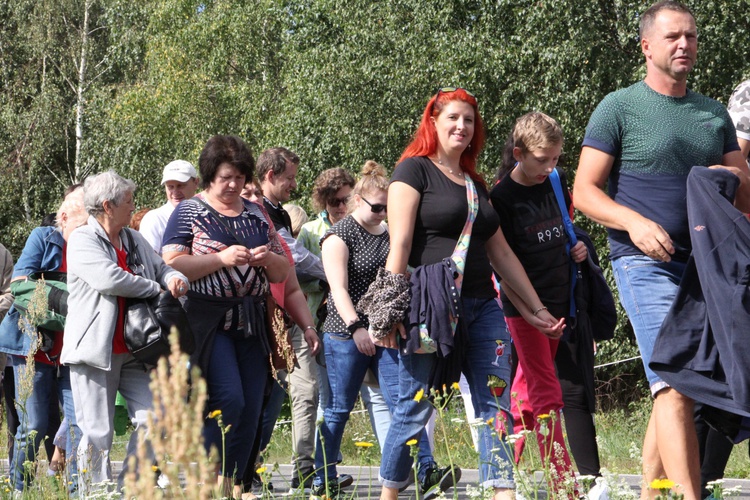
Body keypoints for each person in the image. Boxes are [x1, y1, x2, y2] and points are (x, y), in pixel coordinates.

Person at [572, 2, 750, 497]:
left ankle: (651, 492)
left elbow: (745, 193)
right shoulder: (619, 106)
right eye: (673, 37)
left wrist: (731, 175)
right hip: (642, 262)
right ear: (647, 46)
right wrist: (635, 223)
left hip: (703, 269)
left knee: (678, 386)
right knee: (674, 383)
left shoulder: (713, 113)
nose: (685, 45)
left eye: (691, 37)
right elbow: (584, 192)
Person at [377, 87, 564, 500]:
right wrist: (387, 313)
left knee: (494, 406)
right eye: (453, 118)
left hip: (483, 308)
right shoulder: (412, 172)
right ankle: (389, 494)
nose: (462, 126)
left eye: (469, 120)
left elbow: (500, 252)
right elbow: (401, 245)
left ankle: (502, 492)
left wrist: (535, 309)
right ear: (433, 122)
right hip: (429, 308)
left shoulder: (474, 182)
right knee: (412, 411)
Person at [162, 135, 289, 498]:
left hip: (252, 320)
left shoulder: (255, 213)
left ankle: (234, 483)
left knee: (252, 405)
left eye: (238, 177)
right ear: (209, 177)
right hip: (208, 321)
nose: (233, 185)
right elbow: (171, 262)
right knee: (228, 398)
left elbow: (282, 273)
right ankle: (208, 477)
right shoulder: (188, 211)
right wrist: (220, 259)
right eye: (224, 178)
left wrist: (266, 259)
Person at [60, 171, 188, 493]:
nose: (134, 207)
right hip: (94, 352)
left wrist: (173, 278)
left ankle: (131, 484)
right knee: (97, 433)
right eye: (128, 202)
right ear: (108, 205)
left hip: (136, 350)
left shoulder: (133, 238)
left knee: (157, 417)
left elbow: (161, 266)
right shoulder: (81, 239)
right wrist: (157, 287)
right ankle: (94, 493)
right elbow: (110, 279)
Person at [490, 112, 585, 495]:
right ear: (518, 154)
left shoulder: (557, 182)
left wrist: (578, 245)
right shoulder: (501, 198)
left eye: (556, 159)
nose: (550, 167)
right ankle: (565, 486)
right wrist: (533, 313)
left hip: (561, 302)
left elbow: (566, 227)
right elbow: (503, 268)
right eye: (542, 159)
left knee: (525, 394)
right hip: (524, 309)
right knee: (547, 391)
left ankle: (497, 469)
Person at [256, 148, 339, 492]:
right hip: (263, 318)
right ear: (271, 176)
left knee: (305, 391)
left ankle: (303, 469)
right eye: (289, 178)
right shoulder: (258, 212)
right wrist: (335, 273)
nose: (294, 184)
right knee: (261, 397)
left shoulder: (277, 212)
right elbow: (295, 257)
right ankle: (243, 468)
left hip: (291, 315)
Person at [0, 187, 87, 491]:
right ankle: (18, 491)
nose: (86, 230)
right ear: (63, 217)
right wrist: (64, 299)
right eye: (81, 222)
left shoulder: (93, 243)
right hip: (33, 347)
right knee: (33, 426)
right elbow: (20, 285)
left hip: (76, 350)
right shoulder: (43, 237)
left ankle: (79, 493)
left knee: (79, 426)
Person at [139, 160, 199, 254]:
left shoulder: (206, 215)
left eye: (180, 186)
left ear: (196, 183)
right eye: (170, 187)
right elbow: (148, 262)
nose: (175, 192)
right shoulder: (154, 219)